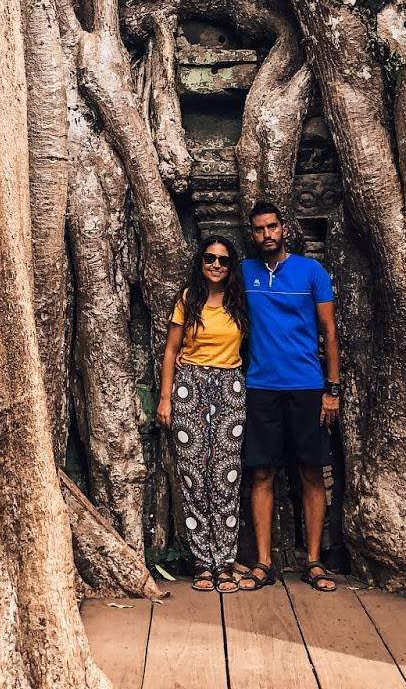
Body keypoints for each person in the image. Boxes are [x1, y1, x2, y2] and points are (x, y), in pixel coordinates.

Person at [235, 200, 340, 593]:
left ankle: (313, 561)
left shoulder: (311, 271)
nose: (267, 235)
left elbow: (329, 333)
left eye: (273, 227)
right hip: (261, 388)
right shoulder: (243, 272)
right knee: (261, 472)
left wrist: (332, 390)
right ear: (253, 234)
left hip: (308, 388)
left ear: (284, 229)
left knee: (312, 472)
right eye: (260, 229)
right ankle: (263, 563)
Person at [157, 235, 249, 593]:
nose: (215, 264)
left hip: (230, 388)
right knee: (194, 477)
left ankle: (225, 563)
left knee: (226, 477)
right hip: (189, 386)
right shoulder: (188, 300)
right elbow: (171, 350)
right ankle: (203, 564)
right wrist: (165, 399)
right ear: (200, 262)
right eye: (210, 258)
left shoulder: (240, 302)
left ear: (230, 267)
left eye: (223, 260)